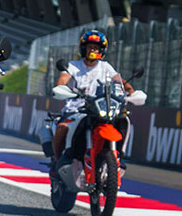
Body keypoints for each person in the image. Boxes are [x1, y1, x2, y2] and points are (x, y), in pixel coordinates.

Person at [51, 30, 134, 167]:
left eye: (96, 48)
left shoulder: (105, 67)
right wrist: (61, 87)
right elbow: (63, 79)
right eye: (90, 47)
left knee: (122, 120)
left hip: (99, 109)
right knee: (62, 128)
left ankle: (118, 154)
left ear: (102, 50)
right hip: (76, 110)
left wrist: (130, 91)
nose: (93, 50)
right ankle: (57, 161)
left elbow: (119, 81)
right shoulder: (73, 66)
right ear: (84, 48)